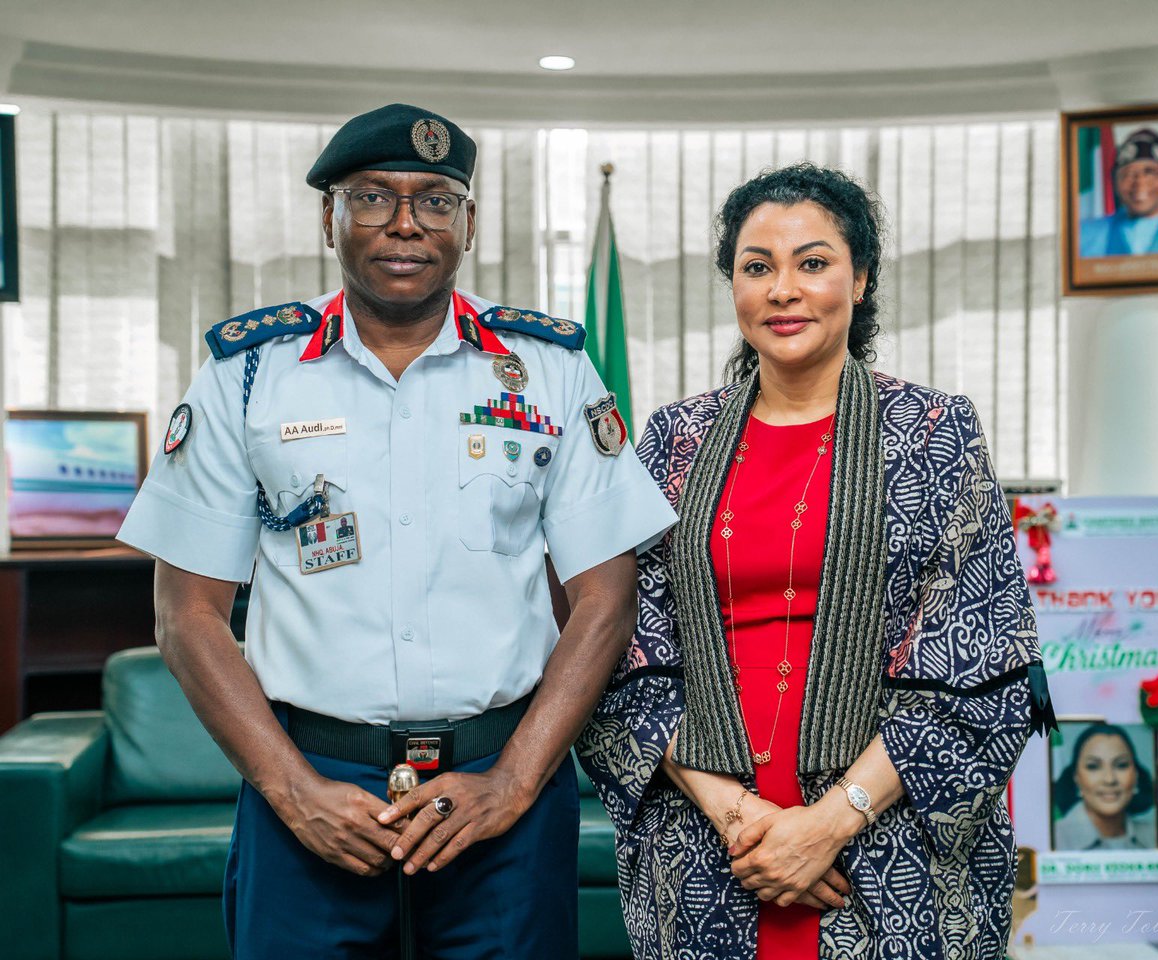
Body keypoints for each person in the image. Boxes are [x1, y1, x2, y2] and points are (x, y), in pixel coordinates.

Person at [117, 102, 677, 958]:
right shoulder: (248, 374)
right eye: (374, 197)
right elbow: (185, 614)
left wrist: (515, 781)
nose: (406, 224)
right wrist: (291, 788)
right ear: (329, 216)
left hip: (502, 788)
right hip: (311, 784)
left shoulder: (552, 368)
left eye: (437, 199)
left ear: (470, 222)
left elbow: (606, 599)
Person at [576, 163, 1056, 960]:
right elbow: (626, 653)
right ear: (732, 286)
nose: (782, 289)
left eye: (814, 262)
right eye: (757, 267)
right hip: (710, 844)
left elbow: (977, 658)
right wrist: (745, 820)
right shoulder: (671, 441)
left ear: (860, 279)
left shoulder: (934, 432)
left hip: (888, 841)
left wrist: (827, 825)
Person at [1079, 127, 1158, 257]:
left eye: (1149, 172)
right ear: (1115, 181)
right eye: (1128, 174)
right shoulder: (1085, 234)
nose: (1139, 183)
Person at [1053, 723, 1157, 851]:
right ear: (1076, 777)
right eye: (1093, 766)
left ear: (1136, 775)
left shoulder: (1155, 836)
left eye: (1121, 765)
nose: (1110, 779)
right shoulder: (1053, 838)